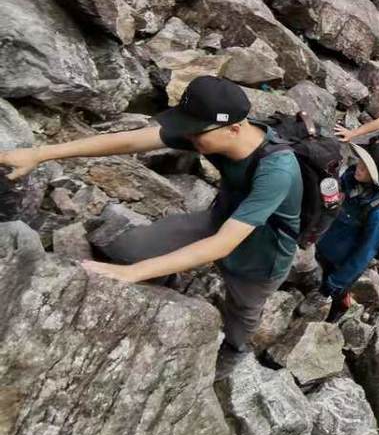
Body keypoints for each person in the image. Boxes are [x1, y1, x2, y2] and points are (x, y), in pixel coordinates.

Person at [0, 76, 302, 360]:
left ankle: (234, 353)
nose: (188, 135)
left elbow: (223, 245)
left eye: (195, 131)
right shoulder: (207, 134)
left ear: (234, 129)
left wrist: (136, 273)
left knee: (242, 313)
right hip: (220, 220)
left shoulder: (277, 171)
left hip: (262, 253)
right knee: (129, 250)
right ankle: (166, 271)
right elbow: (131, 142)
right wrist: (39, 154)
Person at [316, 131, 379, 321]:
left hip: (338, 263)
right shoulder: (353, 175)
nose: (359, 164)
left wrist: (335, 283)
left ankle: (340, 308)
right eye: (362, 159)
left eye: (368, 166)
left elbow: (364, 253)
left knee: (330, 294)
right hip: (324, 241)